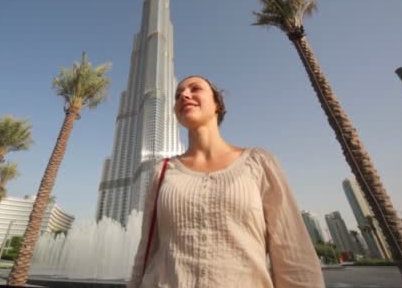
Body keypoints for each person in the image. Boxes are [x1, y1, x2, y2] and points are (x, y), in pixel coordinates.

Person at [128, 76, 324, 287]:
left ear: (217, 105)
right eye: (178, 95)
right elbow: (146, 250)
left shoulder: (259, 163)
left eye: (195, 89)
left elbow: (293, 254)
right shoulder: (163, 171)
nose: (184, 95)